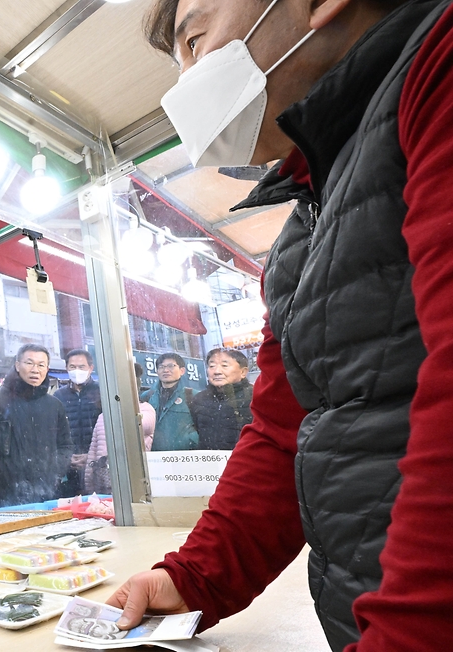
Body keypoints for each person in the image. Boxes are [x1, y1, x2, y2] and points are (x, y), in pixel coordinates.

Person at [107, 0, 453, 649]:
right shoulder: (302, 228)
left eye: (195, 40)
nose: (184, 83)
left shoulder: (437, 68)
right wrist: (193, 579)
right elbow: (284, 430)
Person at [0, 344, 72, 508]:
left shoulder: (54, 405)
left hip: (47, 493)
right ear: (17, 365)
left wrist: (55, 472)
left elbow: (65, 444)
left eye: (41, 365)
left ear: (47, 368)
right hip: (3, 494)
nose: (35, 370)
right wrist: (2, 472)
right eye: (29, 363)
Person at [86, 364, 156, 494]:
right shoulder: (103, 415)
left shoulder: (146, 409)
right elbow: (93, 452)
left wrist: (124, 402)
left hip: (133, 482)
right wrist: (89, 486)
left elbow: (139, 425)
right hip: (104, 484)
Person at [54, 349, 102, 495]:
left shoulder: (102, 391)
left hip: (97, 463)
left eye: (81, 367)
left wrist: (91, 456)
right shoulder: (58, 395)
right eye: (72, 367)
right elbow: (55, 431)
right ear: (67, 368)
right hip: (69, 466)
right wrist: (66, 458)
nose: (77, 371)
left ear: (90, 368)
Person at [191, 349, 253, 450]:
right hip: (209, 463)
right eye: (212, 366)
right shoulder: (199, 399)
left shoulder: (255, 398)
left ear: (243, 372)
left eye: (224, 366)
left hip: (245, 462)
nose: (217, 372)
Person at [142, 353, 198, 451]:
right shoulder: (146, 397)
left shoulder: (192, 396)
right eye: (161, 367)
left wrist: (191, 442)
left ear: (182, 370)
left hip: (184, 457)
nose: (166, 370)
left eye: (171, 366)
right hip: (153, 458)